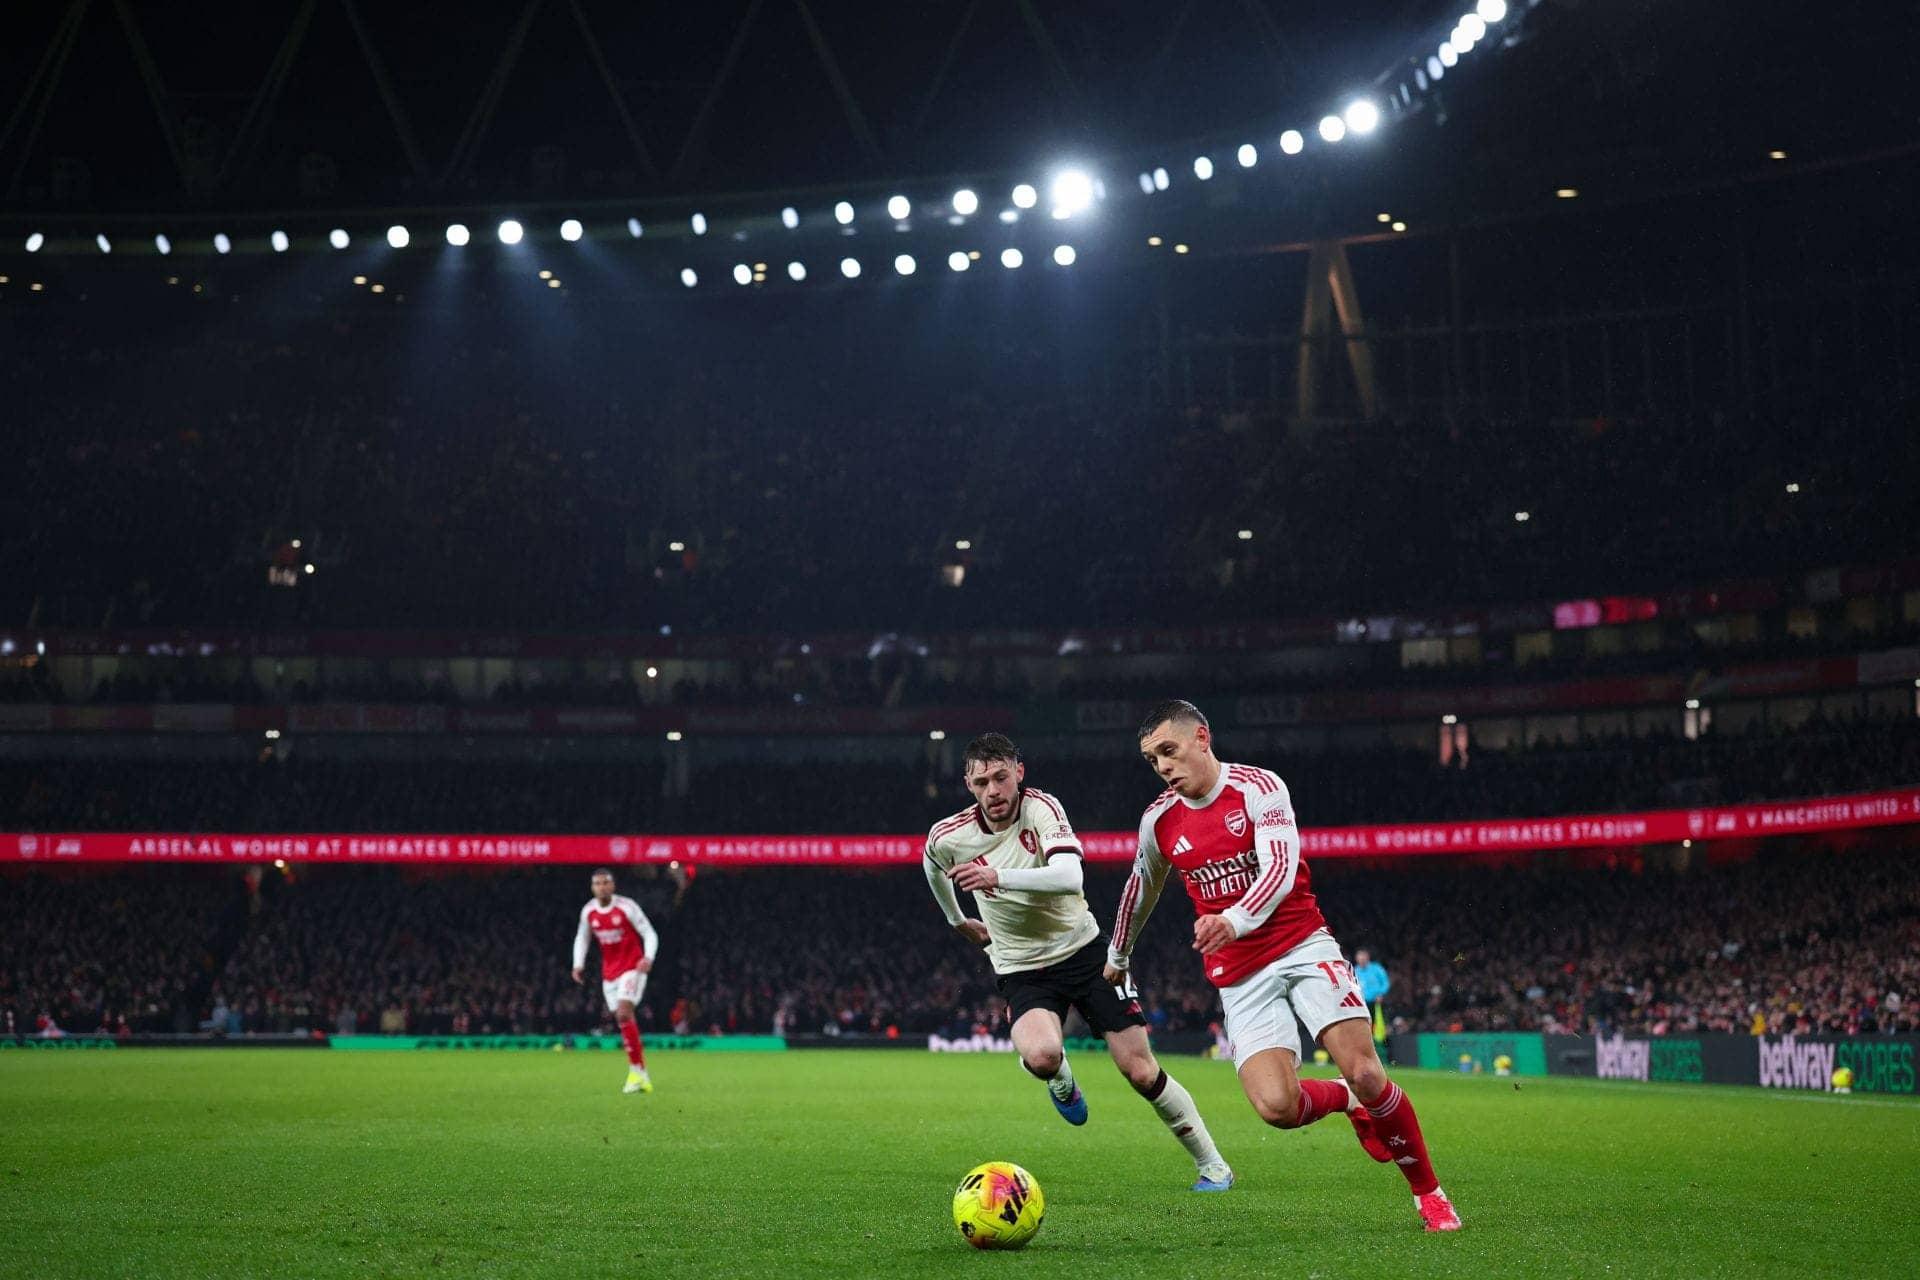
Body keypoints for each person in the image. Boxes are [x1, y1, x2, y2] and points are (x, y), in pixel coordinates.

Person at [1105, 701, 1462, 1232]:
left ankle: (1429, 1194)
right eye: (1152, 759)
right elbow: (1141, 888)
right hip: (1239, 974)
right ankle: (1346, 1100)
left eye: (1169, 751)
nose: (1162, 766)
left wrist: (1233, 919)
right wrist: (1118, 953)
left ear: (1202, 737)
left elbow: (1279, 868)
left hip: (1301, 945)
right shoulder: (1158, 820)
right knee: (1277, 1107)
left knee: (1367, 1071)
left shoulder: (1259, 787)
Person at [924, 732, 1234, 1191]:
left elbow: (1070, 876)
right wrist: (957, 920)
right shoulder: (950, 835)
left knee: (1140, 1070)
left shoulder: (1041, 809)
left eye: (1001, 777)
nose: (994, 791)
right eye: (982, 782)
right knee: (1043, 1057)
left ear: (1019, 773)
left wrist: (996, 877)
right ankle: (1061, 1079)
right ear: (969, 785)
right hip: (1020, 967)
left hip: (1085, 952)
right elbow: (932, 864)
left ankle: (1213, 1165)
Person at [571, 868, 659, 1095]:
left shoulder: (627, 907)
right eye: (597, 884)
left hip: (633, 967)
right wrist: (578, 964)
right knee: (623, 1020)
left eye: (605, 883)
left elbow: (649, 933)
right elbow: (582, 937)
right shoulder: (589, 911)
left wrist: (648, 958)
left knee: (623, 1013)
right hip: (609, 973)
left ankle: (635, 1073)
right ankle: (641, 1073)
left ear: (613, 885)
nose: (601, 887)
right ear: (592, 888)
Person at [1354, 948, 1391, 1045]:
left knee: (1382, 1026)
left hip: (1377, 1002)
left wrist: (1381, 993)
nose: (1361, 960)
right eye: (1359, 958)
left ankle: (1387, 1048)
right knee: (1365, 1027)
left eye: (1363, 957)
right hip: (1362, 1005)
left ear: (1367, 957)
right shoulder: (1355, 971)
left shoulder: (1376, 969)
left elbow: (1386, 983)